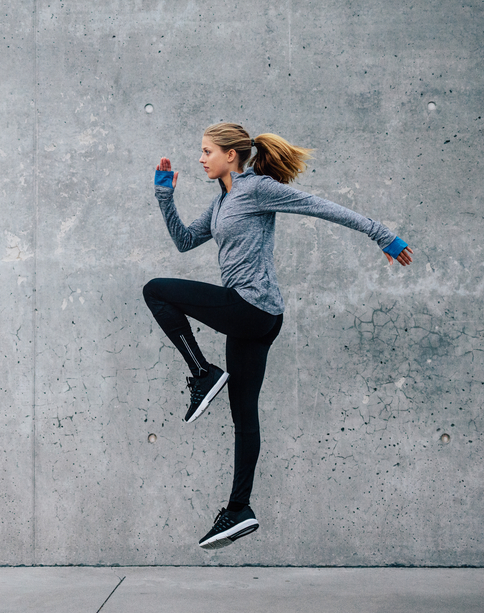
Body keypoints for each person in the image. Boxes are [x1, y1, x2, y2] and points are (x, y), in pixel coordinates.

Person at [144, 122, 413, 550]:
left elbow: (320, 206)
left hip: (250, 308)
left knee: (155, 290)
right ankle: (238, 509)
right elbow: (184, 241)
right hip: (259, 317)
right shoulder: (223, 203)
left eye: (206, 151)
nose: (200, 159)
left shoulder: (256, 189)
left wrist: (384, 235)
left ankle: (202, 373)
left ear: (231, 155)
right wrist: (164, 195)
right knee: (243, 416)